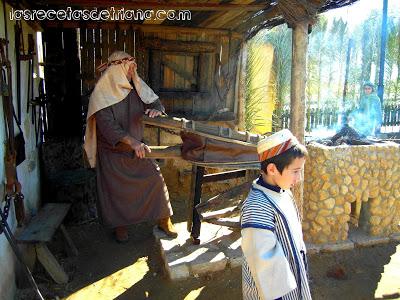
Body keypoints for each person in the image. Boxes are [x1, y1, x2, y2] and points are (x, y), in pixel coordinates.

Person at [84, 51, 177, 242]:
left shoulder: (136, 88)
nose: (132, 72)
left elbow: (156, 102)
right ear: (117, 70)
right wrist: (132, 142)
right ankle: (120, 226)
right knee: (116, 193)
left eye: (133, 68)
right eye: (129, 68)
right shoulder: (100, 95)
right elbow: (108, 126)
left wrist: (156, 109)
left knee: (155, 180)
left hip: (138, 150)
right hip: (112, 152)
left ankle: (164, 219)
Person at [241, 129, 311, 300]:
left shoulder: (283, 191)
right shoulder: (257, 207)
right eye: (295, 171)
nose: (299, 178)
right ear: (272, 169)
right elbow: (266, 268)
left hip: (293, 283)